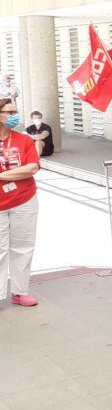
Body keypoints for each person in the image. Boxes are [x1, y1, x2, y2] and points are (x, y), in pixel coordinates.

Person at [0, 97, 40, 307]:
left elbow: (32, 168)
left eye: (15, 111)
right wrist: (17, 173)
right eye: (9, 112)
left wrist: (2, 175)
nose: (14, 115)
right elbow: (23, 170)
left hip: (24, 199)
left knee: (23, 246)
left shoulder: (23, 140)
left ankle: (20, 292)